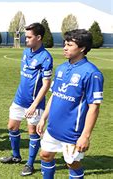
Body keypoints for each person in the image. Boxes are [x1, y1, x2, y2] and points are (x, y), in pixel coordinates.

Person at [37, 29, 103, 179]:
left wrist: (85, 136)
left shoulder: (92, 73)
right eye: (65, 44)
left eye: (70, 45)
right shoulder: (61, 68)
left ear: (82, 48)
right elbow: (55, 95)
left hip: (72, 132)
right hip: (53, 128)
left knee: (72, 163)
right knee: (45, 155)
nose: (65, 48)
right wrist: (43, 118)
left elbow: (94, 107)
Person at [0, 23, 53, 176]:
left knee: (32, 132)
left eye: (29, 37)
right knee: (11, 127)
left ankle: (30, 164)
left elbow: (46, 84)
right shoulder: (25, 51)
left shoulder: (45, 57)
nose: (26, 39)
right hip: (19, 99)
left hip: (34, 104)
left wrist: (34, 105)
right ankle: (16, 156)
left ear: (39, 37)